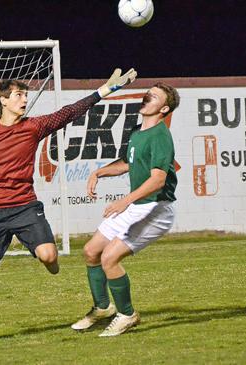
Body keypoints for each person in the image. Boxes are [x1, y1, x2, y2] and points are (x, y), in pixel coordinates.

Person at [0, 68, 137, 346]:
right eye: (19, 95)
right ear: (3, 100)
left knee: (48, 256)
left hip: (25, 207)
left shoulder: (33, 126)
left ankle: (50, 263)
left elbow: (69, 112)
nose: (24, 99)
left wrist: (105, 89)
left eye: (26, 95)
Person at [71, 82, 180, 337]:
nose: (147, 96)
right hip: (137, 206)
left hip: (156, 209)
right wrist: (99, 172)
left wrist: (125, 201)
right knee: (91, 251)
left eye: (153, 96)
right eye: (148, 93)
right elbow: (127, 164)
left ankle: (127, 314)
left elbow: (158, 180)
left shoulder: (161, 135)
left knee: (109, 257)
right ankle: (102, 308)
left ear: (163, 108)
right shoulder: (138, 131)